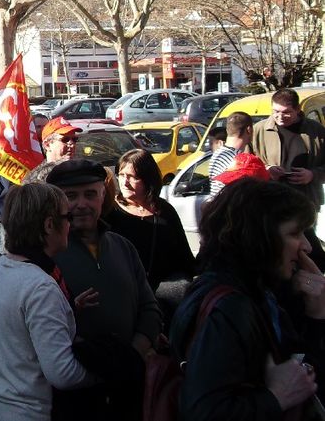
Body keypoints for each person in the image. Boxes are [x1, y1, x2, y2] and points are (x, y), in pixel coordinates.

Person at [169, 178, 324, 420]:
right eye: (294, 233)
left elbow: (298, 367)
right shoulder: (231, 307)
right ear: (258, 238)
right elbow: (203, 411)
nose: (306, 246)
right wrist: (275, 397)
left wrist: (316, 314)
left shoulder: (256, 291)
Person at [47, 159, 161, 421]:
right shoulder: (47, 254)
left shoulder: (123, 247)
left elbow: (149, 307)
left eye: (90, 194)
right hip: (72, 395)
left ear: (103, 196)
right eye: (71, 196)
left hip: (127, 387)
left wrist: (131, 355)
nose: (81, 204)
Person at [0, 183, 95, 421]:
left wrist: (66, 309)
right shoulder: (40, 286)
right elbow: (63, 374)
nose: (71, 224)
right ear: (48, 225)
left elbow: (18, 325)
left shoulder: (3, 266)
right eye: (67, 217)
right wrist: (109, 371)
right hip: (33, 412)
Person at [105, 149, 194, 290]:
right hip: (124, 291)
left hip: (162, 295)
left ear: (148, 179)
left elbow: (184, 257)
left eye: (132, 177)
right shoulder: (110, 211)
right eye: (121, 175)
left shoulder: (165, 211)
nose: (125, 182)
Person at [252, 87, 325, 204]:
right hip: (269, 200)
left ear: (297, 109)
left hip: (306, 200)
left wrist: (312, 175)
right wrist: (267, 170)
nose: (280, 117)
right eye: (276, 111)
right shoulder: (259, 130)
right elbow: (245, 164)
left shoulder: (316, 130)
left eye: (286, 112)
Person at [208, 111, 254, 198]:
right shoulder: (239, 160)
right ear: (249, 130)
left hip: (218, 206)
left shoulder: (217, 154)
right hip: (231, 208)